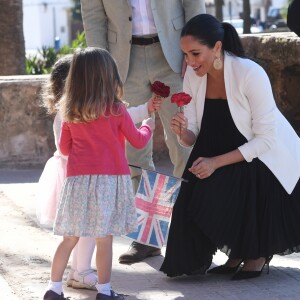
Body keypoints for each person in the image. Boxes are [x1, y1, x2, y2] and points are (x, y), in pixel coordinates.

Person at [160, 14, 300, 280]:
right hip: (213, 148)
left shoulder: (250, 73)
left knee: (237, 179)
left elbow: (265, 140)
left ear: (217, 47)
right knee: (189, 201)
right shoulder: (192, 74)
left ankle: (255, 252)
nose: (188, 62)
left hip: (260, 155)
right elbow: (194, 136)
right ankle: (236, 251)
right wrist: (182, 132)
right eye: (185, 54)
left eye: (195, 53)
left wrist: (215, 163)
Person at [81, 0, 206, 265]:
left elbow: (193, 3)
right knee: (133, 154)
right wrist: (101, 66)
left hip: (173, 53)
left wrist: (195, 49)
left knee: (185, 145)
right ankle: (148, 237)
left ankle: (194, 231)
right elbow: (93, 16)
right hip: (123, 62)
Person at [43, 47, 154, 300]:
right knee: (104, 240)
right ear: (108, 78)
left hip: (78, 183)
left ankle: (53, 288)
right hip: (110, 181)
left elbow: (64, 148)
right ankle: (104, 292)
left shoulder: (70, 112)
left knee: (69, 238)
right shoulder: (117, 110)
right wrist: (147, 127)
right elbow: (137, 141)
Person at [36, 54, 98, 291]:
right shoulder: (69, 111)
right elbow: (68, 146)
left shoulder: (70, 108)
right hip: (74, 174)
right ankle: (81, 270)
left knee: (83, 227)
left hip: (74, 172)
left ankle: (79, 269)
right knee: (86, 226)